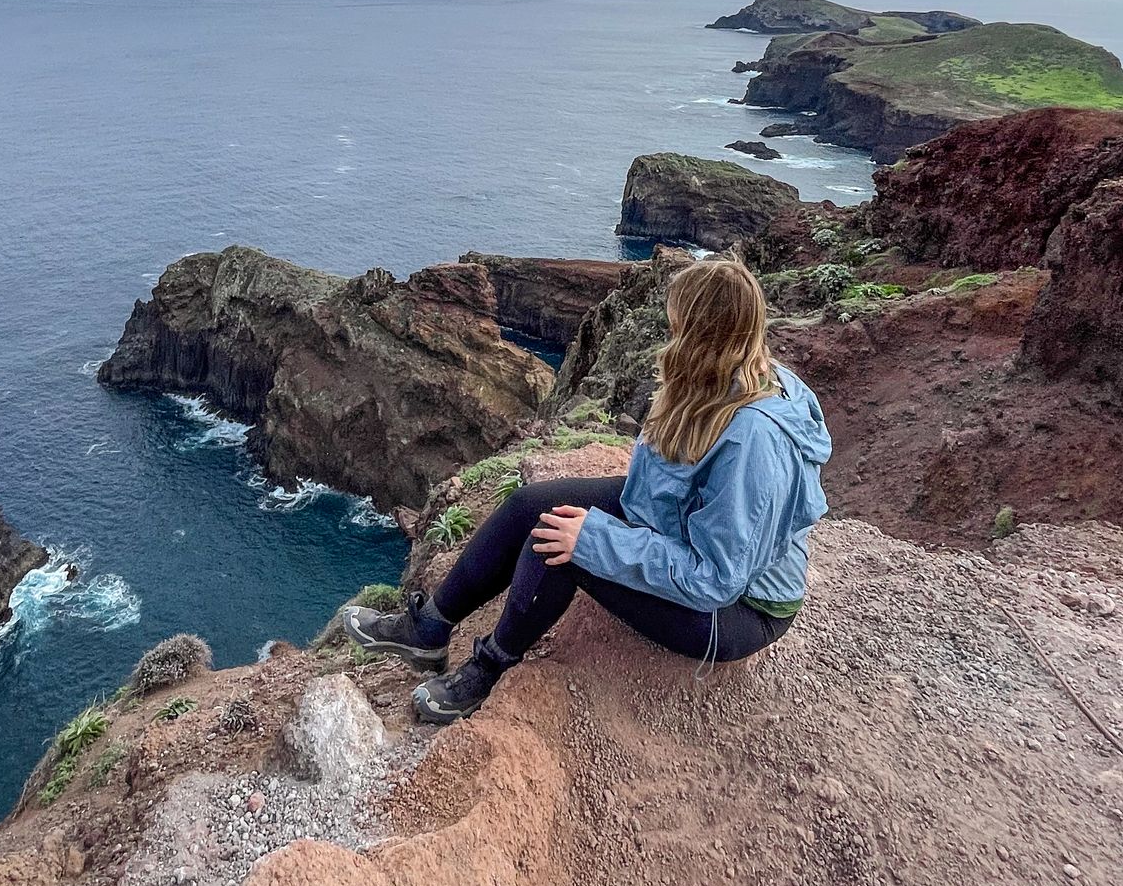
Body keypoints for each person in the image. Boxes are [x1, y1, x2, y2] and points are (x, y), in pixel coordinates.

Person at [344, 256, 830, 723]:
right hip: (679, 523)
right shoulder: (733, 374)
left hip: (737, 609)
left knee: (560, 544)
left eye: (680, 323)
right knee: (529, 505)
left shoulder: (755, 440)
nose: (671, 332)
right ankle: (427, 629)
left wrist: (597, 539)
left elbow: (716, 578)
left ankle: (492, 663)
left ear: (704, 336)